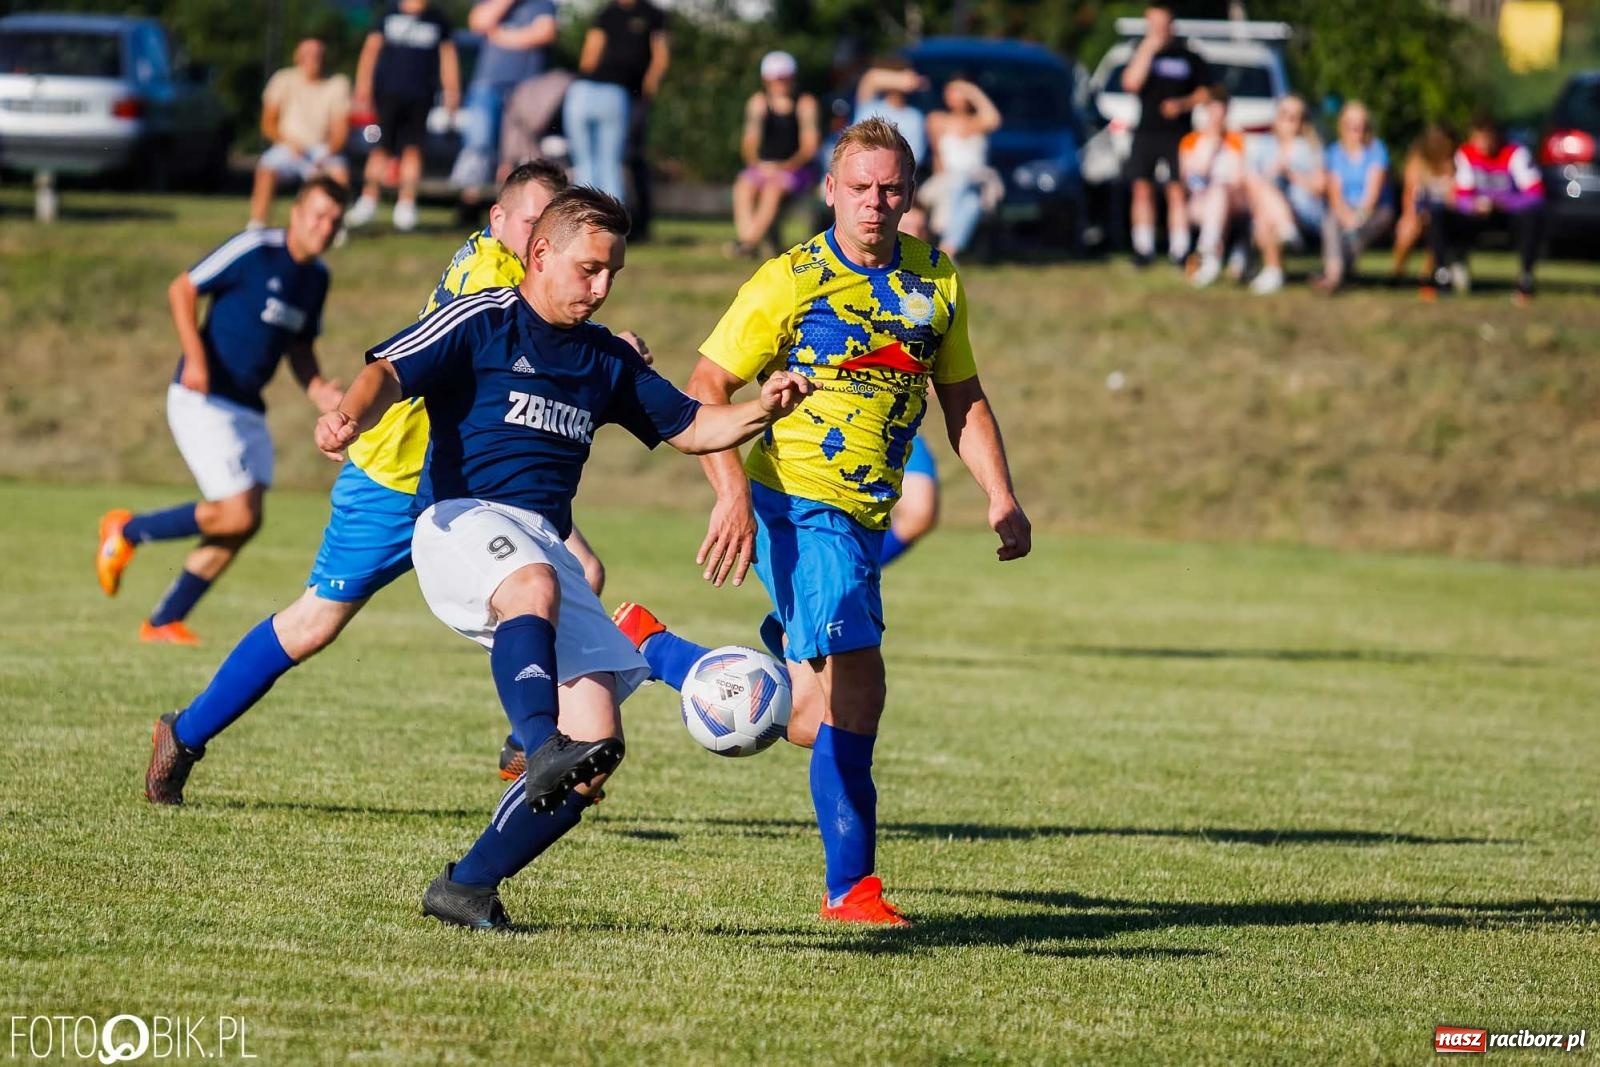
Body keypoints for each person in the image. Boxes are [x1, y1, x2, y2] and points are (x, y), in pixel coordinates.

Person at [314, 188, 814, 930]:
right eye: (588, 269)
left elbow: (694, 427)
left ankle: (467, 885)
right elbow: (389, 368)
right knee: (535, 588)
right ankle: (536, 739)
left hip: (540, 542)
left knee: (596, 750)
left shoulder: (605, 357)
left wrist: (762, 410)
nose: (601, 286)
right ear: (540, 254)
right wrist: (351, 413)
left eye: (612, 272)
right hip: (459, 521)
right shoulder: (484, 317)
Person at [612, 117, 1033, 926]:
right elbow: (703, 385)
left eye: (892, 189)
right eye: (861, 188)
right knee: (859, 689)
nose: (877, 203)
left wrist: (1000, 494)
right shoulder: (789, 279)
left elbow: (963, 398)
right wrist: (730, 491)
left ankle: (657, 648)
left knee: (812, 717)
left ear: (910, 193)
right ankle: (853, 891)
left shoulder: (937, 280)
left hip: (866, 515)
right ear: (830, 191)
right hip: (797, 503)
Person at [140, 163, 633, 805]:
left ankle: (532, 746)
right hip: (398, 475)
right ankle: (183, 733)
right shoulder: (496, 281)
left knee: (578, 572)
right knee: (315, 622)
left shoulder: (515, 267)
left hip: (478, 484)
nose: (546, 237)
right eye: (536, 221)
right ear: (501, 222)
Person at [96, 178, 347, 648]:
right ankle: (126, 530)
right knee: (235, 512)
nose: (324, 227)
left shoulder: (317, 279)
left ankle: (164, 621)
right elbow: (182, 289)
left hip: (248, 406)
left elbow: (299, 345)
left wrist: (317, 390)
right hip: (202, 397)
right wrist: (194, 355)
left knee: (245, 520)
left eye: (334, 221)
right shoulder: (256, 248)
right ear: (295, 213)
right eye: (317, 214)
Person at [348, 0, 461, 232]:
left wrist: (452, 90)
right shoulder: (388, 13)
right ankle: (369, 199)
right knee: (381, 148)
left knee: (413, 149)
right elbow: (371, 51)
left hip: (421, 96)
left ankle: (406, 204)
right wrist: (362, 88)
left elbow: (448, 57)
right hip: (387, 94)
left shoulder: (438, 19)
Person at [1121, 3, 1211, 267]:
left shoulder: (1188, 55)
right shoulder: (1141, 51)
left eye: (1163, 24)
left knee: (1177, 191)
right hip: (1147, 131)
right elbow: (1130, 83)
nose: (1159, 30)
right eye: (1153, 24)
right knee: (1141, 188)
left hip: (1179, 134)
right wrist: (1148, 49)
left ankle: (1180, 249)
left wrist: (1182, 104)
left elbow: (1208, 91)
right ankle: (1143, 248)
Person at [452, 0, 557, 223]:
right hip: (487, 85)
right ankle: (469, 203)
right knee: (478, 145)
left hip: (523, 89)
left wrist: (503, 37)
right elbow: (478, 22)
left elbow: (545, 33)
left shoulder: (542, 4)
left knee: (512, 153)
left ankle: (507, 206)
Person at [1428, 115, 1545, 304]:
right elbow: (1461, 195)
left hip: (1508, 215)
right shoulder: (1466, 154)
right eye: (1478, 138)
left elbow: (1535, 195)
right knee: (1439, 213)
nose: (1482, 144)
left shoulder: (1515, 154)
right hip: (1477, 215)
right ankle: (1442, 275)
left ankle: (1526, 278)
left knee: (1532, 217)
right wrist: (1473, 205)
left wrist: (1502, 202)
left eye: (1486, 138)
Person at [563, 0, 669, 203]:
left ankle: (584, 222)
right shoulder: (612, 13)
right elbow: (661, 58)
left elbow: (590, 55)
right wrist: (647, 93)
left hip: (584, 91)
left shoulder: (645, 14)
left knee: (586, 163)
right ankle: (610, 224)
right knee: (609, 164)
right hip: (614, 93)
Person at [249, 37, 351, 229]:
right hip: (288, 146)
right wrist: (288, 143)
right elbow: (268, 123)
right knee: (266, 168)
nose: (313, 59)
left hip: (322, 149)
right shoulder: (282, 79)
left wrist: (328, 152)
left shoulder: (337, 84)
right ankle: (257, 224)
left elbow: (340, 131)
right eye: (308, 55)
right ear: (298, 57)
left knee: (339, 174)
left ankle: (336, 226)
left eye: (317, 55)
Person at [729, 51, 821, 259]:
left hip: (797, 170)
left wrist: (784, 167)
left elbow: (809, 146)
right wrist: (758, 164)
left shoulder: (805, 104)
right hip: (764, 166)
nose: (781, 83)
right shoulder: (758, 103)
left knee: (773, 189)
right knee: (743, 187)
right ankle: (747, 239)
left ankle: (747, 243)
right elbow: (749, 142)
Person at [1243, 93, 1325, 295]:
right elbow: (1251, 183)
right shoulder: (1264, 145)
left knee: (1265, 212)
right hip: (1271, 212)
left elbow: (1319, 187)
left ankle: (1274, 272)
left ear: (1302, 121)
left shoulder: (1310, 148)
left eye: (1294, 116)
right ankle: (1284, 235)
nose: (1288, 121)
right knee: (1264, 207)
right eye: (1284, 115)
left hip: (1305, 212)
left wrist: (1291, 173)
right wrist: (1274, 169)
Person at [919, 77, 1004, 259]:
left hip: (978, 180)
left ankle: (945, 251)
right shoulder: (937, 120)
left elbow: (994, 118)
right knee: (969, 199)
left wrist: (972, 91)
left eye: (958, 91)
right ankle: (949, 252)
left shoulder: (979, 122)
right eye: (950, 91)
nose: (953, 96)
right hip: (950, 180)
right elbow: (937, 156)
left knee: (971, 191)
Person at [1317, 100, 1394, 292]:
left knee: (1354, 233)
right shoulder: (1335, 152)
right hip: (1345, 207)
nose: (1356, 130)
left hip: (1375, 209)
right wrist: (1345, 216)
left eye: (1360, 125)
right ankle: (1335, 274)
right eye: (1351, 125)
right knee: (1331, 222)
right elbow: (1335, 194)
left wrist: (1357, 217)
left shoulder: (1377, 150)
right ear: (1342, 126)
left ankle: (1338, 273)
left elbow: (1373, 193)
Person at [854, 57, 931, 241]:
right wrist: (905, 80)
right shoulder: (869, 106)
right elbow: (871, 78)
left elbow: (913, 159)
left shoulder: (915, 117)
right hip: (861, 175)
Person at [1178, 90, 1247, 288]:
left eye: (1221, 111)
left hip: (1231, 199)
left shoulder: (1236, 140)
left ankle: (1206, 255)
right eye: (1213, 110)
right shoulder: (1191, 141)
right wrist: (1211, 149)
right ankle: (1210, 257)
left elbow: (1239, 178)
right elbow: (1187, 178)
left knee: (1219, 193)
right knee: (1215, 201)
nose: (1217, 116)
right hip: (1200, 201)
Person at [1392, 125, 1456, 283]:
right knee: (1409, 229)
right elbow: (1409, 195)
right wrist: (1415, 215)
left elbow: (1453, 197)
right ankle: (1397, 272)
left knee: (1438, 229)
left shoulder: (1453, 164)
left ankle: (1426, 274)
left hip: (1442, 214)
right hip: (1417, 213)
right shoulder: (1416, 163)